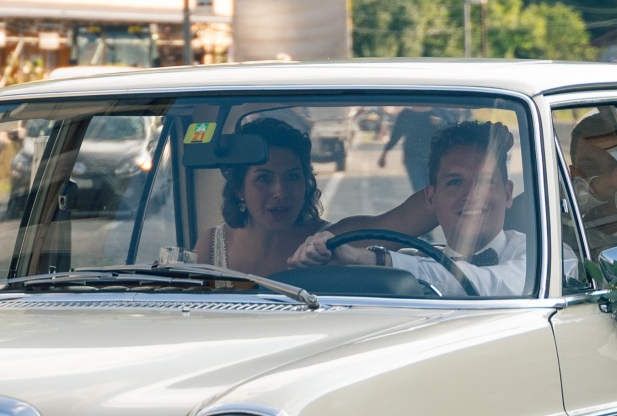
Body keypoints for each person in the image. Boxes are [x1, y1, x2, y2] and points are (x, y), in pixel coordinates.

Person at [297, 118, 534, 296]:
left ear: (508, 193)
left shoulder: (544, 258)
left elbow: (491, 283)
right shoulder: (414, 262)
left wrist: (372, 259)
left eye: (485, 181)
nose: (472, 195)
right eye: (455, 182)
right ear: (430, 198)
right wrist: (321, 256)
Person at [183, 115, 325, 277]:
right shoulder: (213, 246)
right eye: (264, 178)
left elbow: (360, 228)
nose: (281, 192)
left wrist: (353, 255)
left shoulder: (328, 240)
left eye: (292, 177)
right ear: (239, 188)